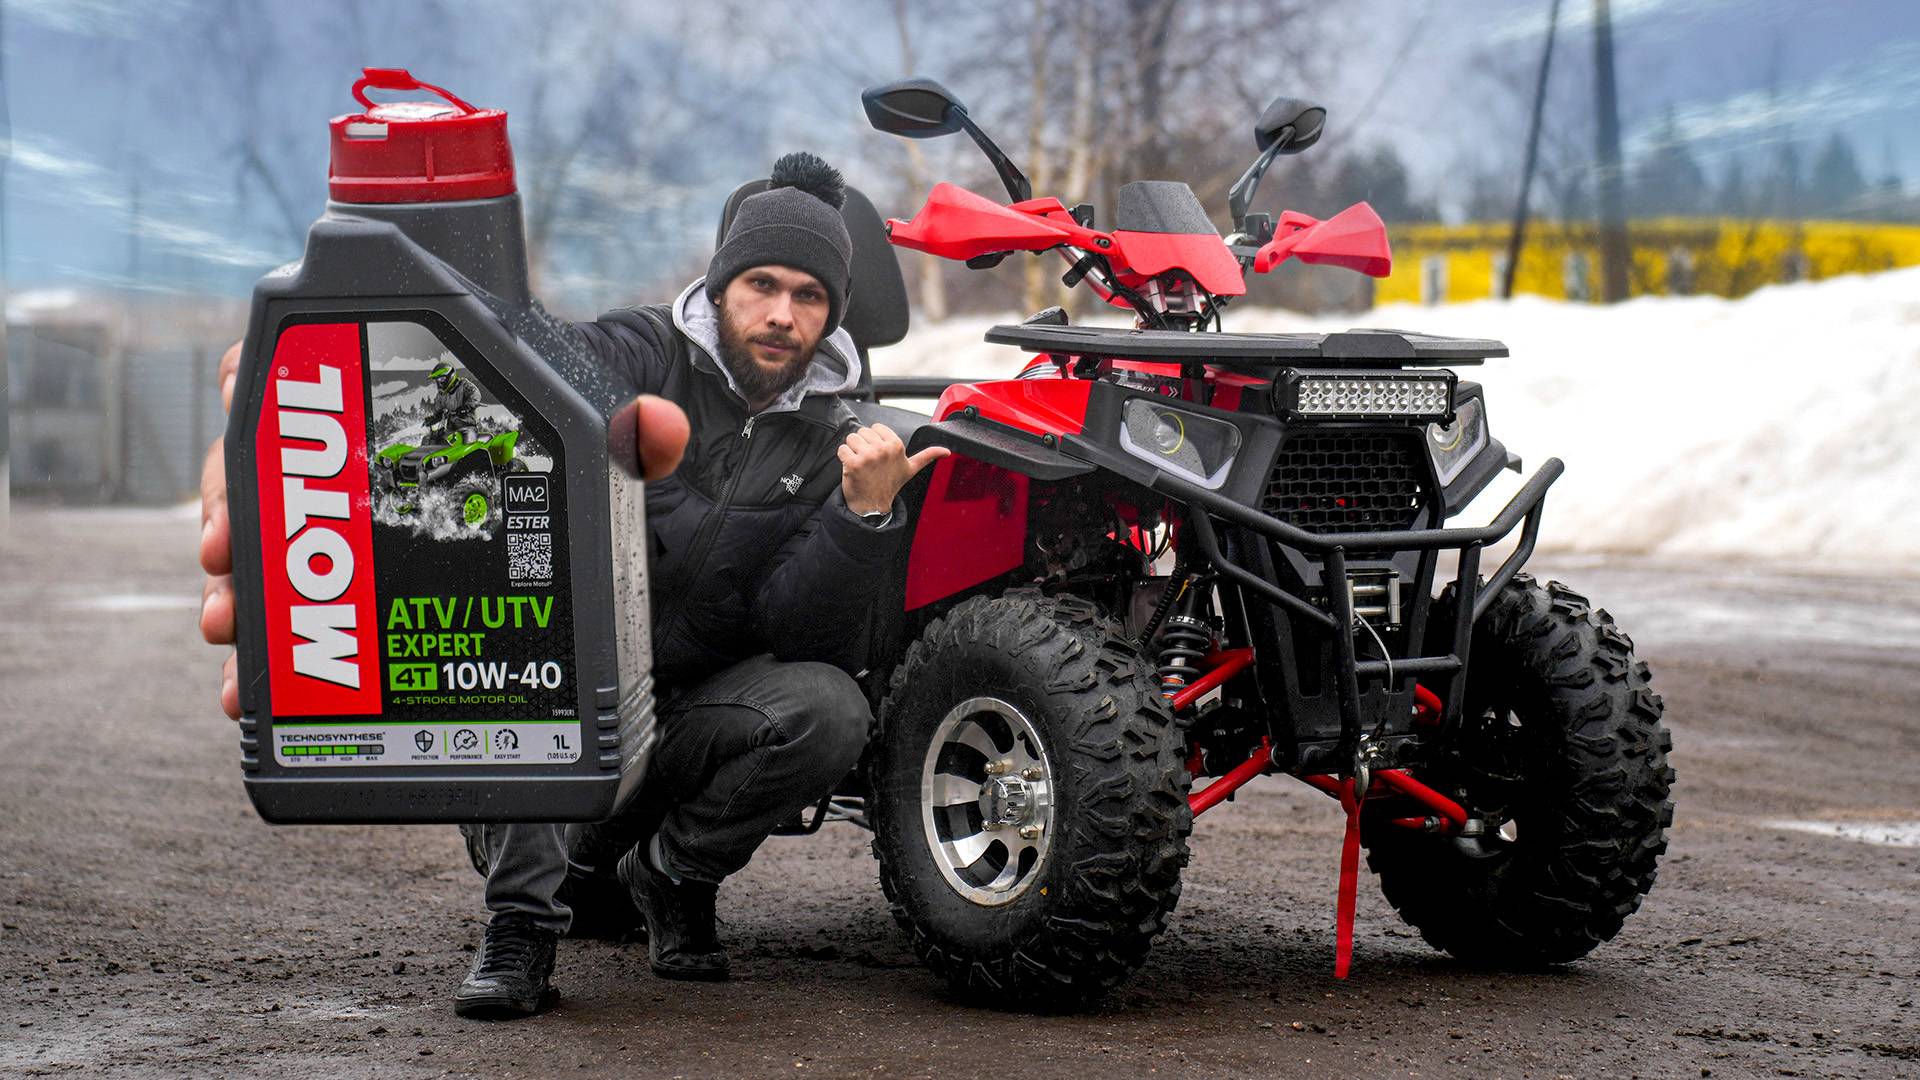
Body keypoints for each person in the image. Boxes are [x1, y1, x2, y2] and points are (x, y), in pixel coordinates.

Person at [198, 151, 948, 1019]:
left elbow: (800, 630)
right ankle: (520, 926)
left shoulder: (837, 440)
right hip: (549, 761)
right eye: (761, 285)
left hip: (680, 737)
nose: (782, 314)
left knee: (831, 706)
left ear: (832, 314)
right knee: (544, 623)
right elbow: (511, 362)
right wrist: (351, 361)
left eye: (809, 296)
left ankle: (672, 877)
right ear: (720, 287)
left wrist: (862, 515)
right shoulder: (640, 355)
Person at [425, 362, 481, 441]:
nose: (439, 383)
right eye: (437, 380)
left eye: (441, 379)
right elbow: (439, 411)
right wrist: (433, 418)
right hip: (451, 429)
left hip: (467, 427)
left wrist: (466, 407)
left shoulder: (464, 385)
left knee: (468, 442)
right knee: (435, 440)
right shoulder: (441, 395)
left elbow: (475, 395)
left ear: (450, 376)